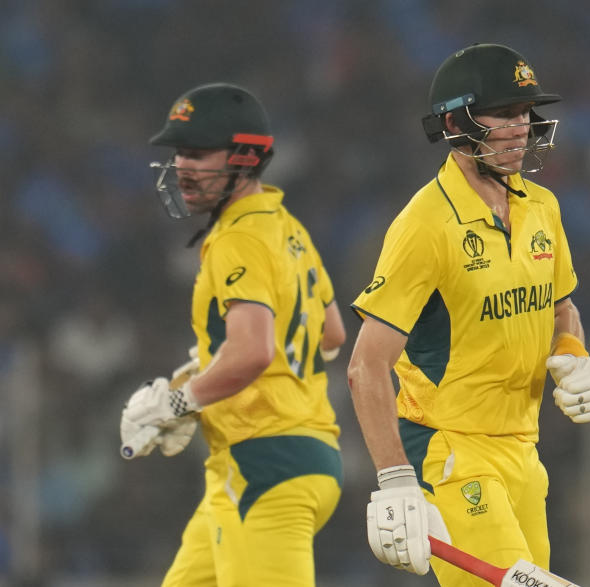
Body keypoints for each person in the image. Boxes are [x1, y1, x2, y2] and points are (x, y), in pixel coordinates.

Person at [346, 43, 590, 585]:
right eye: (504, 114)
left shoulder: (541, 205)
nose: (521, 128)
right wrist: (396, 479)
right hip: (449, 448)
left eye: (525, 113)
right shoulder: (425, 225)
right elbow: (365, 366)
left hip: (522, 449)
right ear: (454, 122)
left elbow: (561, 308)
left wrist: (572, 353)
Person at [119, 82, 347, 586]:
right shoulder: (287, 227)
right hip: (286, 459)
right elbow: (330, 334)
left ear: (244, 158)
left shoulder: (237, 238)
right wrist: (211, 369)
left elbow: (253, 351)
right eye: (179, 153)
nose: (182, 167)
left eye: (199, 153)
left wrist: (180, 402)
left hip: (265, 463)